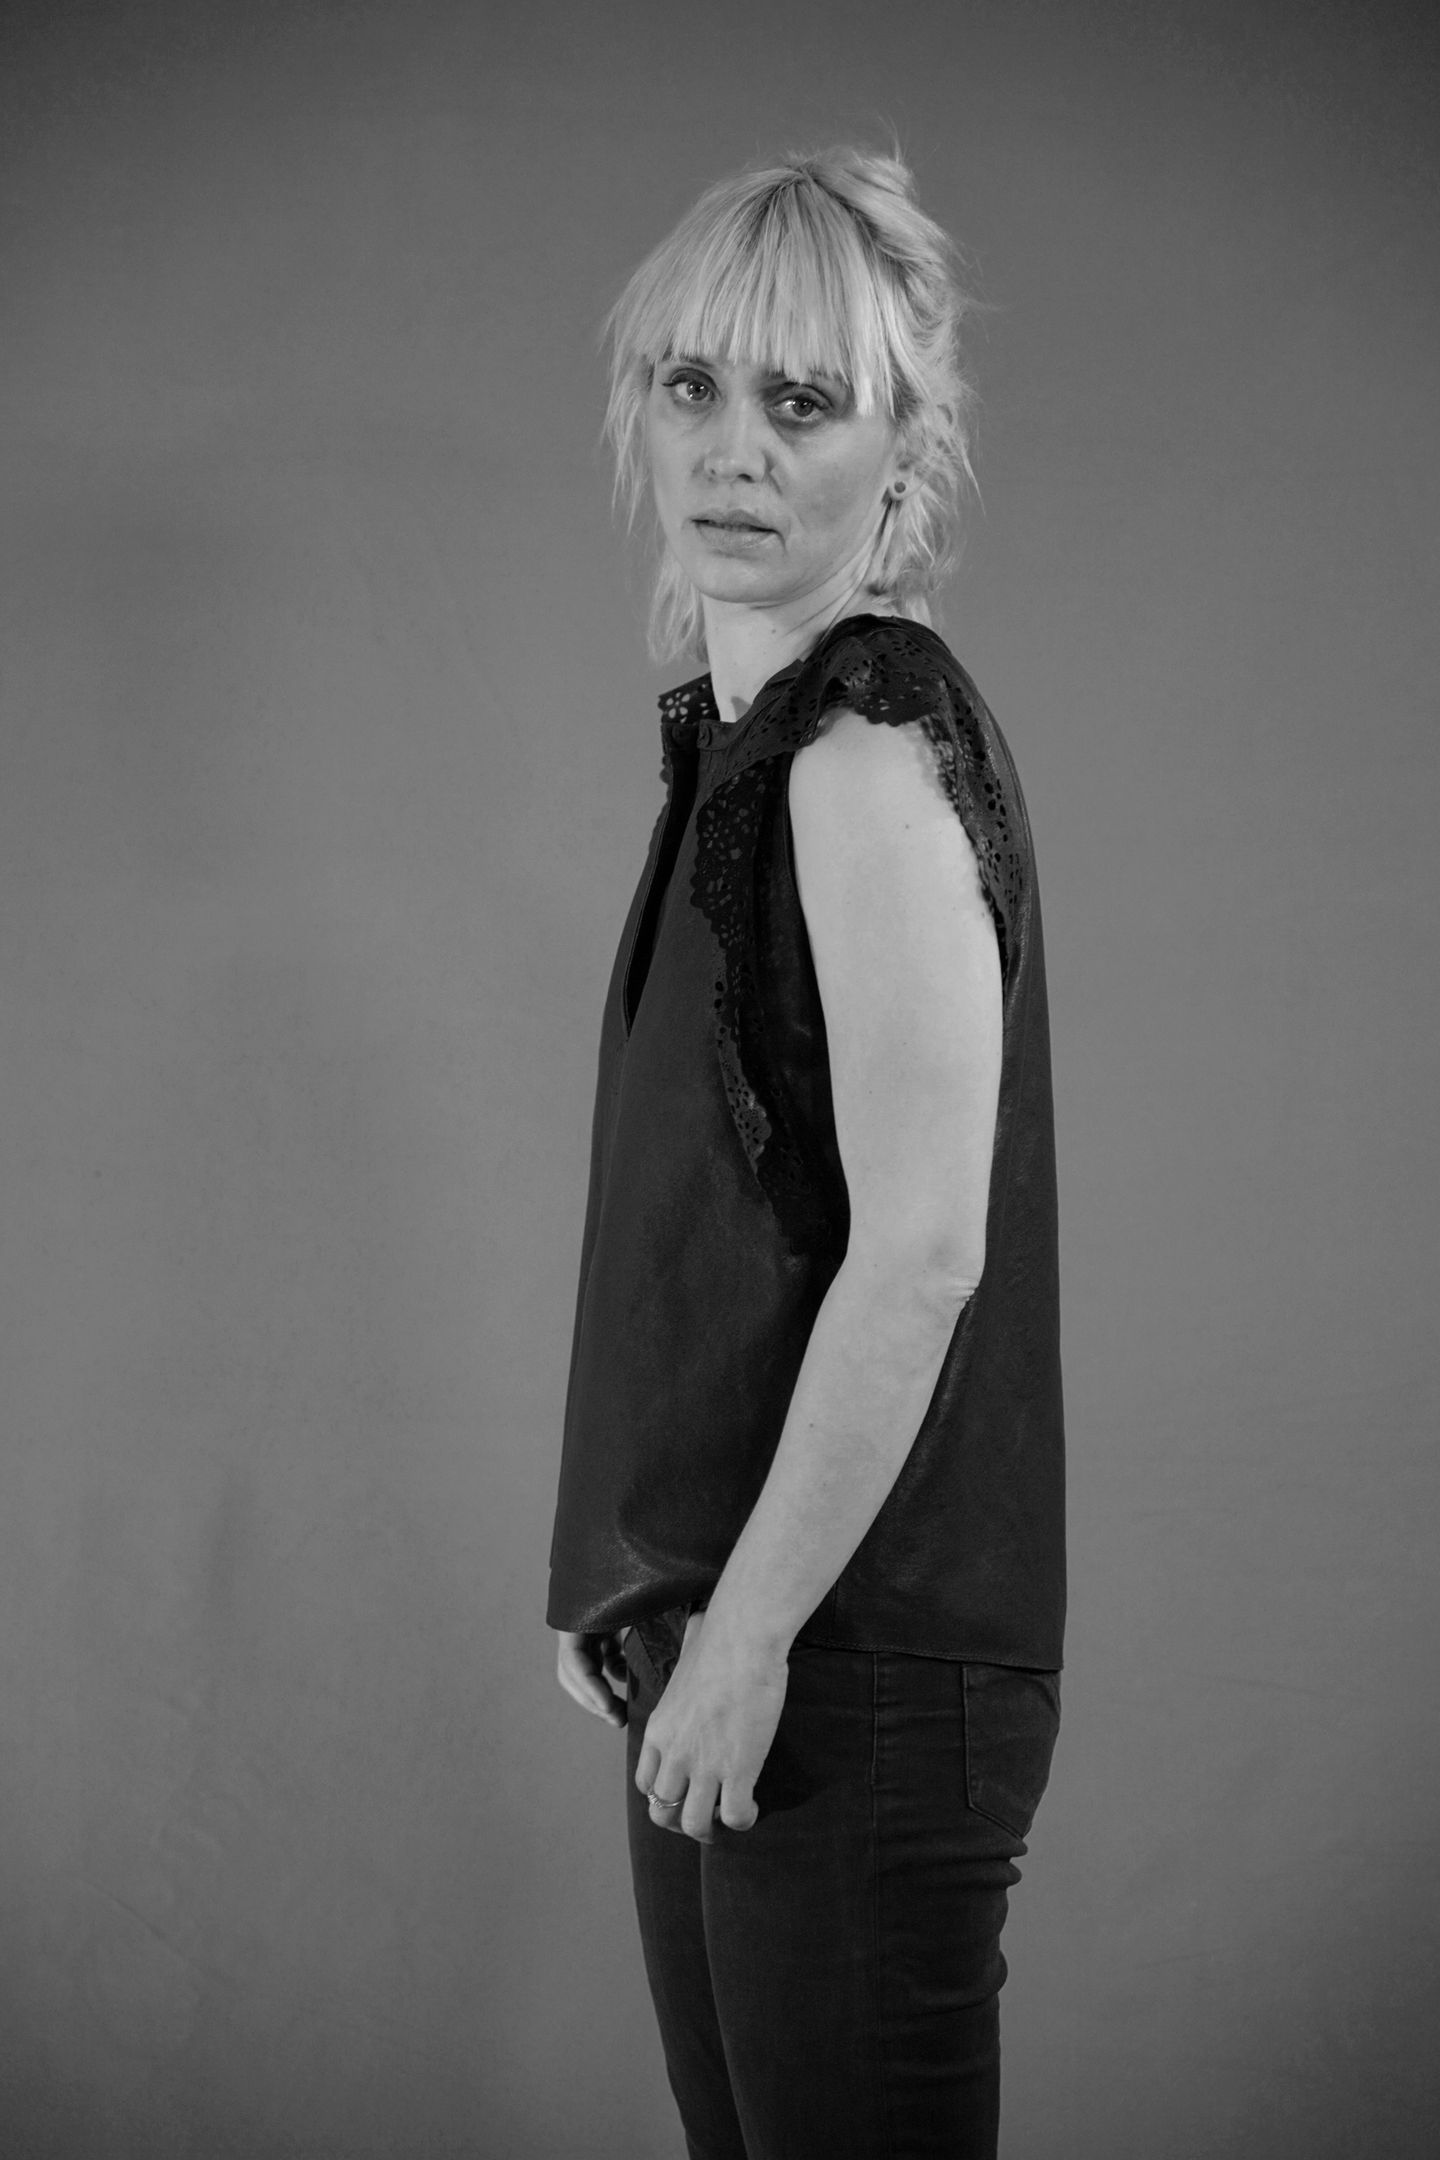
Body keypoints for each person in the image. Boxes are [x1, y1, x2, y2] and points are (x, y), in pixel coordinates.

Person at [546, 143, 1065, 2160]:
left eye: (802, 400)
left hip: (845, 1661)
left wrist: (748, 1630)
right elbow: (708, 1232)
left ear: (899, 445)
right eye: (694, 385)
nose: (735, 450)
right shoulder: (747, 747)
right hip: (739, 1634)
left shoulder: (861, 753)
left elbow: (922, 1254)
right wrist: (628, 1570)